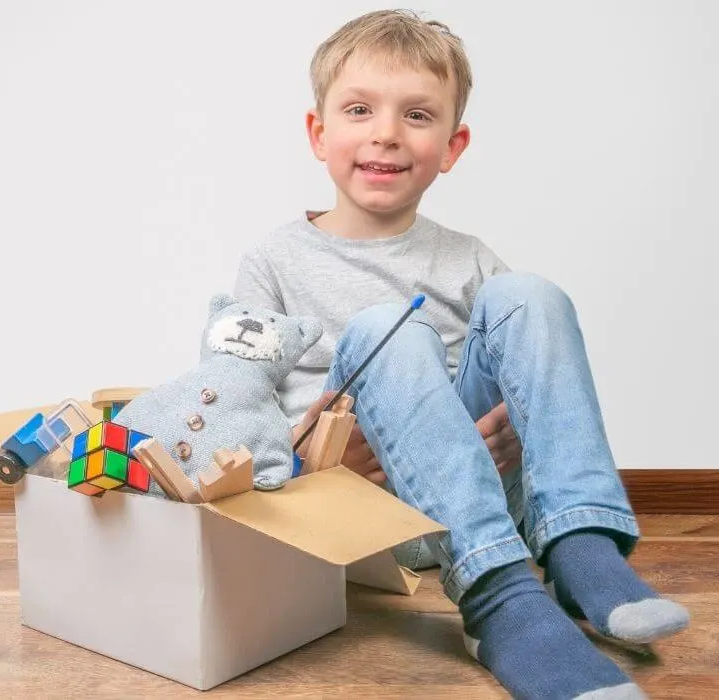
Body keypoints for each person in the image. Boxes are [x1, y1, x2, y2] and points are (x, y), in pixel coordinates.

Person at [232, 9, 688, 699]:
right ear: (319, 134)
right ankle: (501, 602)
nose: (386, 131)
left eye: (417, 115)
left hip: (476, 504)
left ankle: (578, 544)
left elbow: (534, 374)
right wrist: (310, 454)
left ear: (452, 145)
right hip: (355, 511)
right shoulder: (273, 261)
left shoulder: (470, 260)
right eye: (359, 110)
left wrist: (512, 424)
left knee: (531, 294)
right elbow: (231, 415)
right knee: (389, 327)